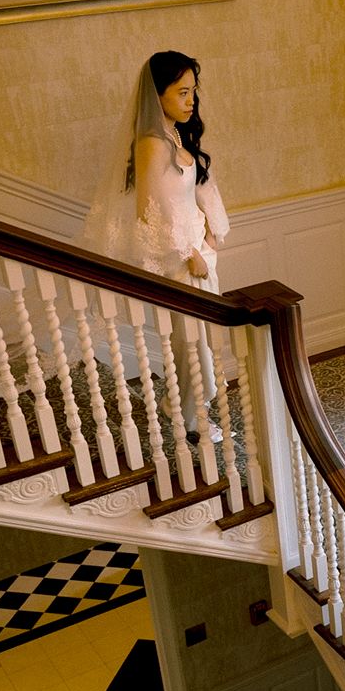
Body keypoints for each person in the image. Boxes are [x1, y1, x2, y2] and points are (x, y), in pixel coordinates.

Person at [85, 51, 230, 435]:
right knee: (191, 343)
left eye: (193, 93)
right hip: (177, 260)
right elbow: (149, 211)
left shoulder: (176, 133)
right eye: (182, 93)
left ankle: (183, 406)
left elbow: (189, 191)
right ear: (157, 94)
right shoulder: (151, 142)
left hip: (197, 253)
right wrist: (187, 253)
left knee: (200, 341)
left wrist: (211, 232)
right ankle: (188, 415)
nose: (191, 101)